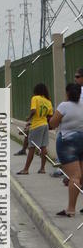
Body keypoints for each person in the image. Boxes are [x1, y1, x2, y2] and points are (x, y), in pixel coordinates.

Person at [49, 82, 83, 216]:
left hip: (67, 142)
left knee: (74, 177)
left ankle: (70, 209)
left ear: (68, 93)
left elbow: (53, 123)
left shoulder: (64, 106)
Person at [17, 83, 53, 175]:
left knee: (31, 147)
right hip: (45, 125)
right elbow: (50, 115)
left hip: (36, 125)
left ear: (36, 90)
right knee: (43, 147)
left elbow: (33, 110)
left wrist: (29, 118)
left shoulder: (35, 98)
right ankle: (42, 168)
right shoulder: (48, 101)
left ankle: (26, 169)